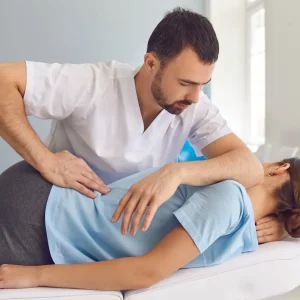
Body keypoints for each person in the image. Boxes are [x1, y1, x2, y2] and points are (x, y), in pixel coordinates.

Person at [1, 7, 283, 244]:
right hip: (55, 213)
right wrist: (46, 160)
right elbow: (3, 81)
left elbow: (248, 166)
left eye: (202, 85)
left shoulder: (195, 105)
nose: (195, 97)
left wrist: (176, 172)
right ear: (150, 63)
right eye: (185, 83)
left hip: (118, 230)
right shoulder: (93, 83)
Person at [0, 157, 299, 290]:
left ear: (279, 169)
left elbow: (147, 271)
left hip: (38, 226)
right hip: (41, 211)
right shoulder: (232, 203)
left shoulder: (231, 200)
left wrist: (35, 276)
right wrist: (285, 225)